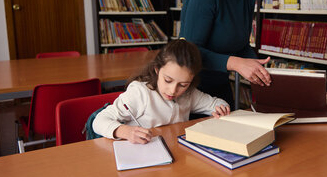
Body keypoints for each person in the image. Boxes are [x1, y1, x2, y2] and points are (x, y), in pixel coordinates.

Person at [92, 39, 230, 144]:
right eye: (168, 80)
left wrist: (221, 108)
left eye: (183, 84)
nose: (173, 90)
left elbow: (217, 103)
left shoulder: (190, 94)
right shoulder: (140, 93)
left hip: (174, 152)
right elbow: (99, 121)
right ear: (157, 70)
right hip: (141, 156)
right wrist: (125, 131)